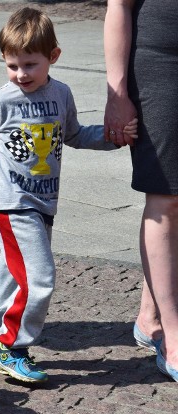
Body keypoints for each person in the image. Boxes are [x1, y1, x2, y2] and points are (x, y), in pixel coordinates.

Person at [0, 7, 137, 383]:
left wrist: (114, 137)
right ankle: (9, 346)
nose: (21, 74)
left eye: (30, 64)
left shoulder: (61, 93)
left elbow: (74, 134)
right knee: (39, 277)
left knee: (14, 274)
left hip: (43, 201)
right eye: (12, 65)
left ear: (53, 57)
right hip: (9, 202)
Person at [104, 0, 178, 382]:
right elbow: (119, 4)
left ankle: (150, 317)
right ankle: (175, 339)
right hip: (163, 63)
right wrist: (117, 91)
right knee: (167, 196)